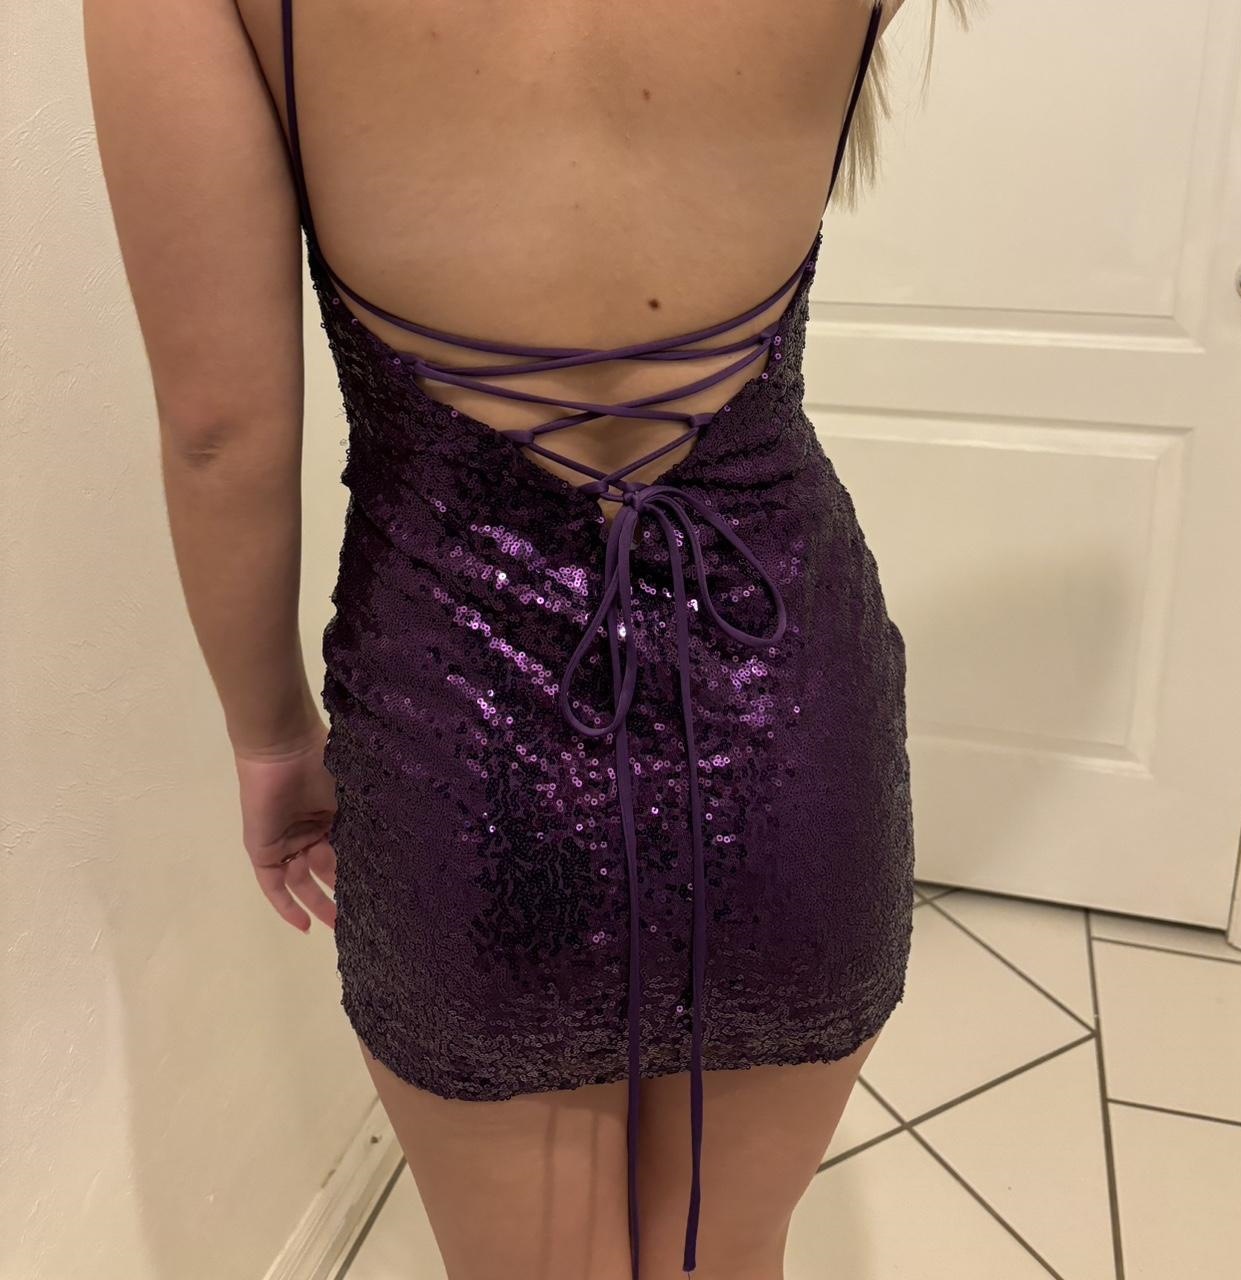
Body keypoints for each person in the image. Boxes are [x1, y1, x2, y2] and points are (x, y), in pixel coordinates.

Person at [85, 2, 968, 1276]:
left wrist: (270, 738)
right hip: (785, 709)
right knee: (727, 1255)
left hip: (462, 741)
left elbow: (219, 430)